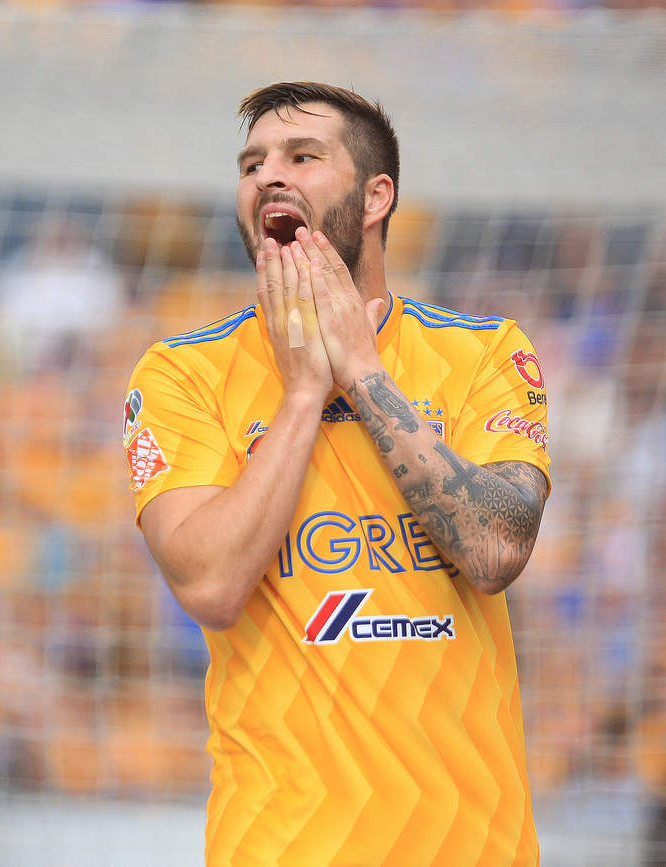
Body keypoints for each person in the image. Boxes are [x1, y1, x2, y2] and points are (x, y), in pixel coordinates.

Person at [123, 81, 551, 866]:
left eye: (302, 156)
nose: (268, 176)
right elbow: (210, 587)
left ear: (376, 196)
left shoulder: (483, 352)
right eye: (252, 164)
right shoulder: (183, 372)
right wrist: (303, 394)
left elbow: (495, 549)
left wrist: (361, 371)